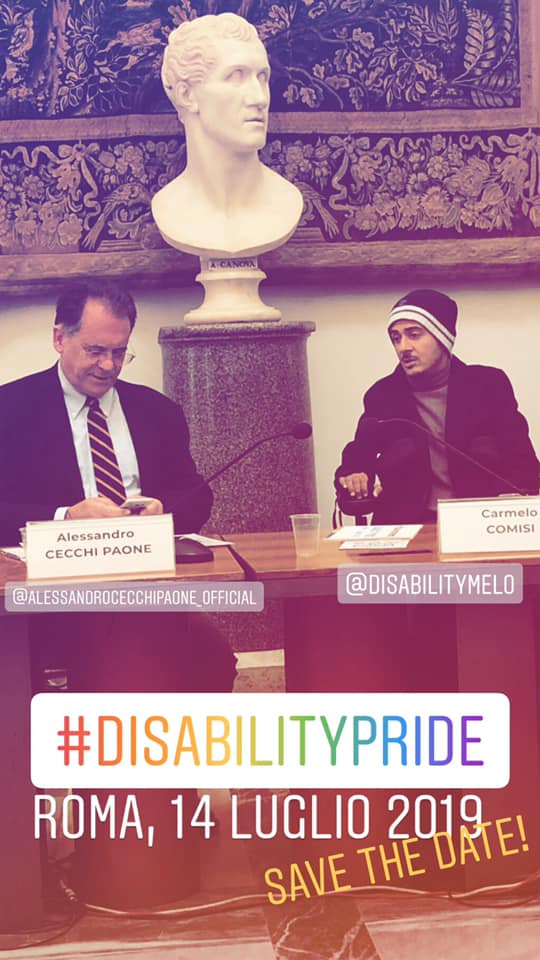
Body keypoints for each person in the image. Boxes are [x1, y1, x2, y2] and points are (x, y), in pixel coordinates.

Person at [0, 279, 236, 906]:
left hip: (146, 603)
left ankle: (169, 804)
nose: (107, 366)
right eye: (95, 350)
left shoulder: (156, 411)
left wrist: (163, 508)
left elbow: (196, 495)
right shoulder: (11, 409)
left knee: (210, 656)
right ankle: (91, 828)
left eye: (119, 352)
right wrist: (62, 514)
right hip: (52, 609)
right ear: (59, 338)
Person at [335, 289, 538, 523]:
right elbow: (359, 454)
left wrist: (514, 507)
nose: (403, 347)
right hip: (410, 523)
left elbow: (521, 457)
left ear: (443, 338)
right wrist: (354, 475)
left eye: (414, 335)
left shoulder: (488, 385)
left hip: (479, 520)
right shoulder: (383, 395)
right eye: (396, 338)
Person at [152, 12, 303, 257]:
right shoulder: (170, 209)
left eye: (262, 78)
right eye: (235, 77)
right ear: (187, 95)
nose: (260, 98)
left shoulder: (286, 203)